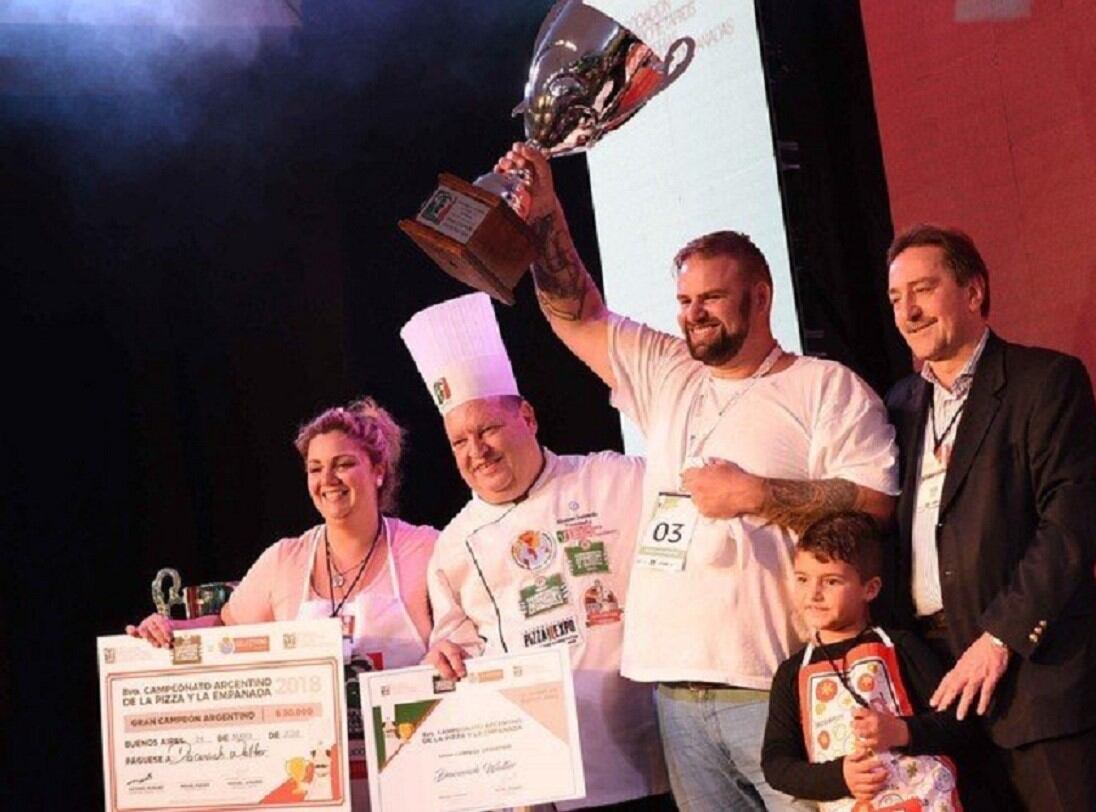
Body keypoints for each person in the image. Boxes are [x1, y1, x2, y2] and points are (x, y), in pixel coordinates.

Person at [495, 144, 899, 811]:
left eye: (711, 297)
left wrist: (759, 495)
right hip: (675, 693)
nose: (693, 314)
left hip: (775, 685)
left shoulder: (824, 388)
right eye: (684, 300)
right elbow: (577, 312)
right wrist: (546, 217)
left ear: (760, 296)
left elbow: (875, 502)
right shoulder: (668, 373)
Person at [884, 224, 1096, 809]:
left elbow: (1070, 526)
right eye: (895, 298)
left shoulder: (1045, 382)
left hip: (1037, 681)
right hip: (941, 695)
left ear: (973, 291)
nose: (909, 311)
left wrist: (998, 639)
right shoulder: (896, 407)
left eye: (923, 289)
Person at [400, 292, 669, 810]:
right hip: (535, 782)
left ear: (527, 416)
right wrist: (443, 657)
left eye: (488, 429)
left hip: (643, 763)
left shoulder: (615, 480)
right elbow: (455, 647)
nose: (476, 451)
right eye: (459, 441)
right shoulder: (454, 545)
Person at [127, 397, 437, 812]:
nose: (327, 478)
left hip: (411, 790)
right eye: (315, 468)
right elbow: (225, 630)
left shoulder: (424, 549)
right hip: (315, 794)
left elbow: (463, 639)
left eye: (343, 464)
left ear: (379, 471)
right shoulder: (285, 560)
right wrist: (165, 632)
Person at [762, 511, 975, 810]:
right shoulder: (791, 673)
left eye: (831, 581)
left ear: (870, 588)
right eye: (802, 579)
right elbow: (776, 764)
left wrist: (902, 731)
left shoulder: (902, 647)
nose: (813, 593)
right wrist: (840, 776)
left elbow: (958, 723)